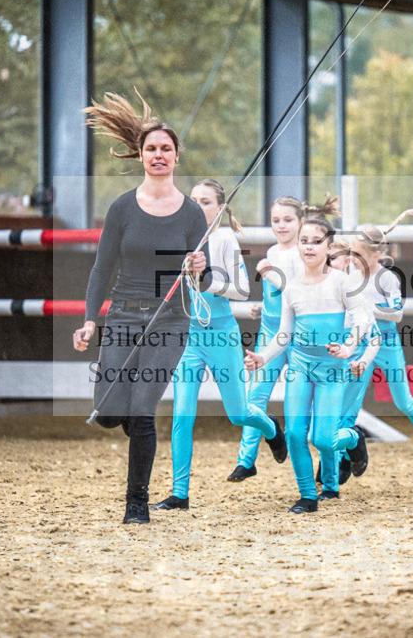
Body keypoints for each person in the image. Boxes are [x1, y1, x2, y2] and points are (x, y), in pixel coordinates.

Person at [72, 91, 209, 525]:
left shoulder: (191, 215)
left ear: (176, 157)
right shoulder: (121, 209)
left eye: (166, 149)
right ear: (140, 155)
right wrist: (91, 320)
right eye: (151, 148)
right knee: (112, 411)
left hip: (170, 320)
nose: (158, 155)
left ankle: (137, 502)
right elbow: (100, 269)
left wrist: (199, 268)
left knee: (143, 410)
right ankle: (127, 423)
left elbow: (201, 282)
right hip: (124, 316)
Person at [152, 179, 287, 512]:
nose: (198, 207)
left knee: (239, 414)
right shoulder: (177, 238)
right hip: (189, 338)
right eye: (193, 200)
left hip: (222, 334)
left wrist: (208, 277)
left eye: (206, 201)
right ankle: (179, 493)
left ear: (221, 209)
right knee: (182, 414)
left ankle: (270, 427)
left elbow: (242, 290)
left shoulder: (224, 238)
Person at [244, 215, 379, 514]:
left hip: (332, 369)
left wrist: (348, 348)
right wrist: (263, 357)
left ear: (329, 247)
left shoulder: (343, 283)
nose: (308, 246)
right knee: (294, 433)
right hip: (300, 366)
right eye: (304, 240)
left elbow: (361, 321)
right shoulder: (291, 288)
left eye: (316, 241)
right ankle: (308, 495)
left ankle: (353, 439)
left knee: (324, 438)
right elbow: (284, 334)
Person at [318, 210, 413, 498]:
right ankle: (338, 463)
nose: (354, 259)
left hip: (385, 341)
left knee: (403, 399)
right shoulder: (348, 272)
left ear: (376, 255)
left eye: (360, 254)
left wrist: (364, 310)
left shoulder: (387, 279)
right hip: (359, 342)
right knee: (348, 404)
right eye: (353, 253)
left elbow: (397, 314)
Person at [227, 195, 315, 482]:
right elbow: (279, 296)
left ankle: (328, 461)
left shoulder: (306, 253)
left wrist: (269, 274)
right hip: (269, 330)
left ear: (301, 222)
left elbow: (301, 294)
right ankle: (247, 459)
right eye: (276, 220)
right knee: (255, 395)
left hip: (300, 333)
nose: (281, 225)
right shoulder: (273, 252)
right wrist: (263, 306)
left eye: (288, 220)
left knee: (301, 404)